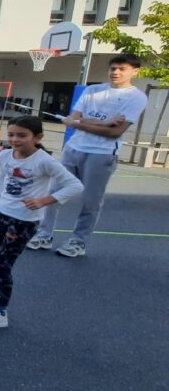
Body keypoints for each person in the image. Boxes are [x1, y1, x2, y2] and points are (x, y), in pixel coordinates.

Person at [0, 115, 83, 328]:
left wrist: (44, 201)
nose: (15, 139)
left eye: (22, 135)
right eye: (11, 134)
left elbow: (75, 186)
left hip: (24, 221)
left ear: (37, 137)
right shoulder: (6, 155)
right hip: (3, 214)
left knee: (3, 264)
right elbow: (2, 176)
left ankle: (0, 312)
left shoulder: (44, 161)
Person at [26, 54, 149, 257]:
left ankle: (78, 241)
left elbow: (114, 132)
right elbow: (75, 117)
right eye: (113, 68)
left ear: (135, 72)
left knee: (90, 201)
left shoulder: (136, 97)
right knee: (53, 192)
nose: (116, 72)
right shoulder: (93, 90)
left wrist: (80, 123)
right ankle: (44, 235)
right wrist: (103, 122)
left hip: (102, 154)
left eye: (122, 69)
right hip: (73, 148)